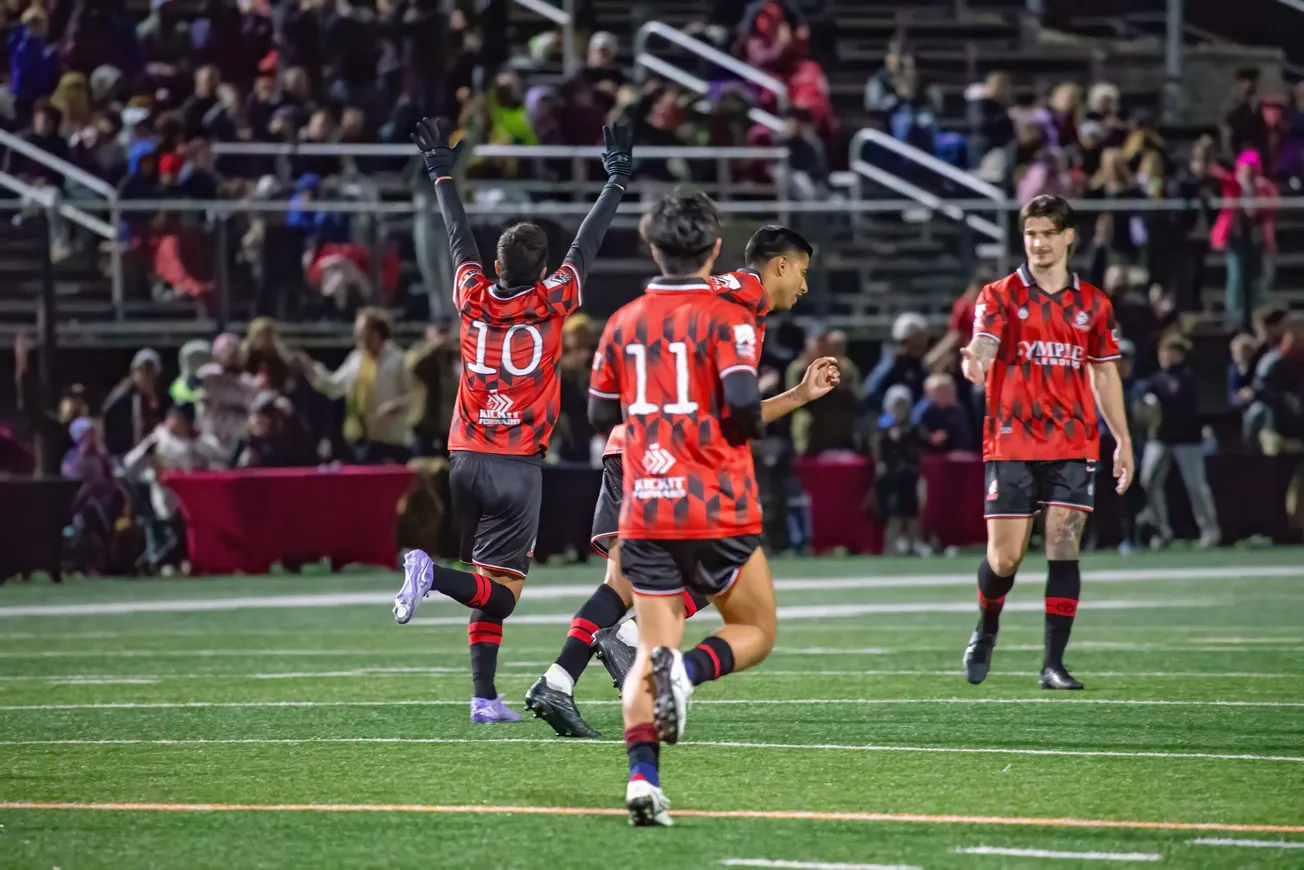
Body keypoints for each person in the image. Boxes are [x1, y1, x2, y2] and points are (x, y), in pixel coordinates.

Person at [524, 218, 838, 740]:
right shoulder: (740, 295)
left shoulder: (733, 307)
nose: (803, 285)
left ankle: (556, 681)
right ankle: (628, 644)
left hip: (634, 446)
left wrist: (799, 397)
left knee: (621, 584)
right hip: (667, 457)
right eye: (801, 272)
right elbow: (731, 409)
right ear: (779, 265)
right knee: (715, 561)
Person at [392, 117, 633, 724]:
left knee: (488, 586)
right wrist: (615, 182)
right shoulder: (554, 299)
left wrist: (440, 169)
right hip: (516, 463)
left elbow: (456, 234)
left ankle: (482, 697)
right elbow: (588, 245)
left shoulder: (471, 292)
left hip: (465, 457)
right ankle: (428, 574)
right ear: (543, 266)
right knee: (500, 590)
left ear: (496, 262)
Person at [586, 192, 782, 827]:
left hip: (647, 509)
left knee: (647, 649)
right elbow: (746, 407)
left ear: (652, 247)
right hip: (718, 503)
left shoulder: (621, 322)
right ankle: (691, 672)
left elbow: (596, 413)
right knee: (755, 630)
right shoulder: (729, 318)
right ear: (715, 249)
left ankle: (643, 782)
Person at [958, 194, 1134, 691]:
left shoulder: (1093, 304)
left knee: (1063, 542)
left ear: (1069, 237)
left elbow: (1105, 375)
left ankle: (1053, 664)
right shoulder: (998, 295)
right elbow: (985, 346)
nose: (1039, 244)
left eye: (1049, 234)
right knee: (1005, 559)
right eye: (1032, 234)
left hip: (1075, 441)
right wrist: (976, 361)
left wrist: (1122, 439)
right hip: (1012, 440)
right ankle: (986, 628)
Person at [300, 307, 414, 464]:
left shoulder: (398, 359)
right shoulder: (356, 359)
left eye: (362, 331)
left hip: (392, 441)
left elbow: (413, 396)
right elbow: (334, 387)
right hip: (360, 441)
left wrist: (395, 405)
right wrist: (313, 371)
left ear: (376, 332)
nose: (358, 336)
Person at [1139, 335, 1221, 550]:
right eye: (1163, 352)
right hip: (1159, 438)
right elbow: (1145, 405)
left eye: (1171, 352)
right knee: (1148, 482)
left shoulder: (1190, 379)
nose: (1166, 356)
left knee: (1195, 486)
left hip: (1187, 439)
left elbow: (1191, 407)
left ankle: (1209, 530)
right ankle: (1161, 531)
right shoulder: (1154, 380)